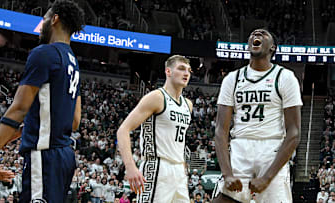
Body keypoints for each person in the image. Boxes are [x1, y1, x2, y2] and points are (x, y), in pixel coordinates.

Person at [0, 0, 85, 202]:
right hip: (64, 157)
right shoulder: (73, 62)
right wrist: (27, 130)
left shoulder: (44, 53)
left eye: (45, 18)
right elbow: (75, 120)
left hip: (44, 157)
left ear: (54, 19)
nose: (42, 24)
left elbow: (19, 108)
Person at [212, 29, 302, 203]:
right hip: (240, 147)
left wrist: (267, 177)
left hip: (271, 148)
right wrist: (227, 174)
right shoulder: (232, 79)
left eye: (263, 34)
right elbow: (220, 131)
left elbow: (294, 133)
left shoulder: (285, 77)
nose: (256, 35)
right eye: (253, 34)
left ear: (272, 48)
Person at [117, 55, 193, 202]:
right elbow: (123, 130)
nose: (186, 73)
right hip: (158, 166)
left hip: (179, 171)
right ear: (168, 71)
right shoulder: (156, 97)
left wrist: (183, 165)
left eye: (189, 70)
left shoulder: (188, 105)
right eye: (181, 69)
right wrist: (130, 167)